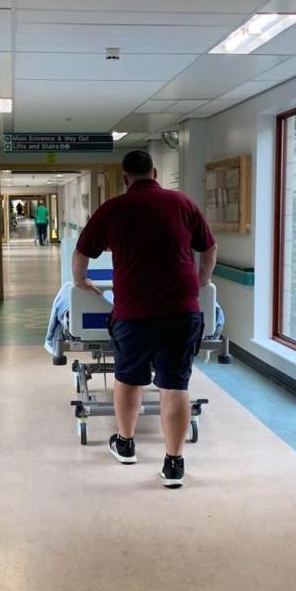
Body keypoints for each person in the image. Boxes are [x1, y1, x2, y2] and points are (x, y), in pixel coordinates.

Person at [73, 150, 217, 488]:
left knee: (128, 378)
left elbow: (81, 254)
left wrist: (81, 284)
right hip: (182, 311)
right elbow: (209, 248)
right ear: (154, 173)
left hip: (134, 313)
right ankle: (174, 464)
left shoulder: (113, 208)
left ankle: (125, 444)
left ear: (125, 178)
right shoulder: (183, 203)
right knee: (175, 384)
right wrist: (203, 281)